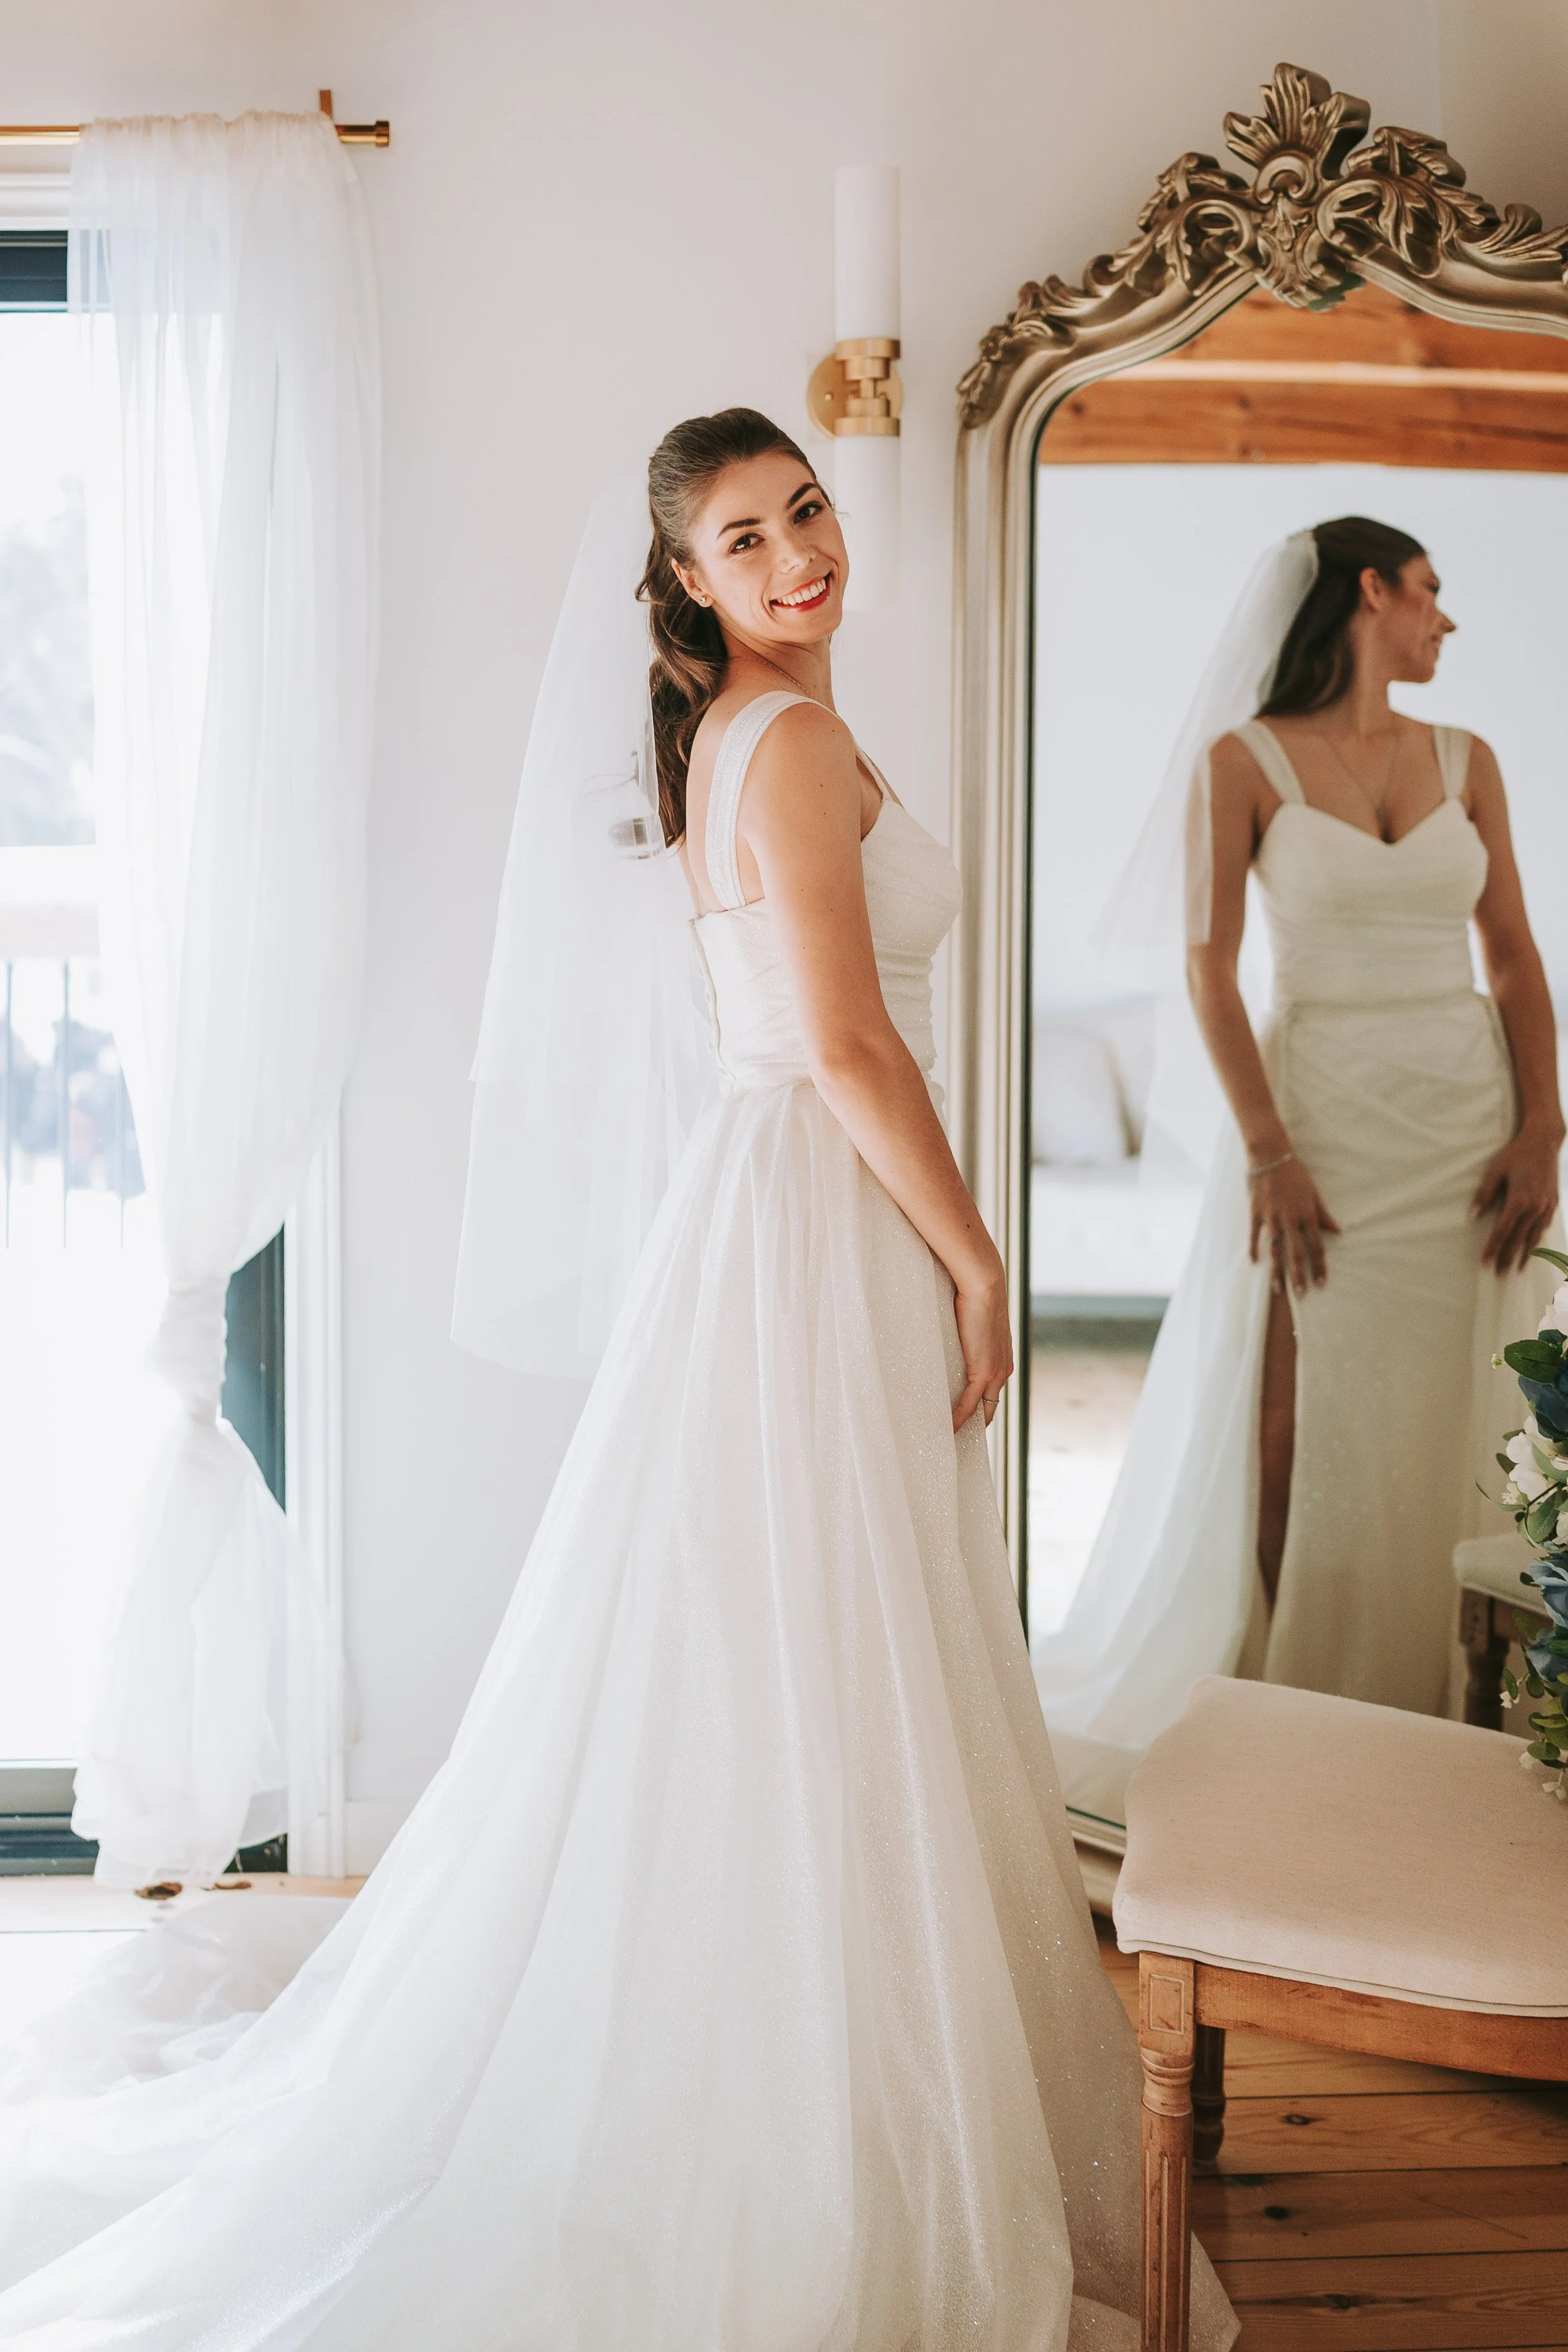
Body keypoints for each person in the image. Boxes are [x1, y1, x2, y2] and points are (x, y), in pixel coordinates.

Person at [0, 410, 1234, 2350]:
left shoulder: (732, 736)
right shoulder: (795, 738)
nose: (799, 555)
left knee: (788, 1657)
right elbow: (840, 1037)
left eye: (806, 511)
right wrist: (980, 1253)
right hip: (816, 1211)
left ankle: (802, 2064)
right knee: (828, 1651)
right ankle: (827, 2113)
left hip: (764, 1217)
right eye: (745, 540)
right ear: (685, 580)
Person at [1032, 517, 1562, 1828]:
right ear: (1369, 590)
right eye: (1429, 593)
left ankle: (1453, 1713)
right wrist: (1266, 1152)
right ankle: (1287, 1701)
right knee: (1296, 1419)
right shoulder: (1243, 761)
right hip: (1319, 1128)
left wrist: (1541, 1128)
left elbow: (1510, 958)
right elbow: (1207, 968)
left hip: (1464, 1127)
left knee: (1463, 1408)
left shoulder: (1466, 759)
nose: (1445, 622)